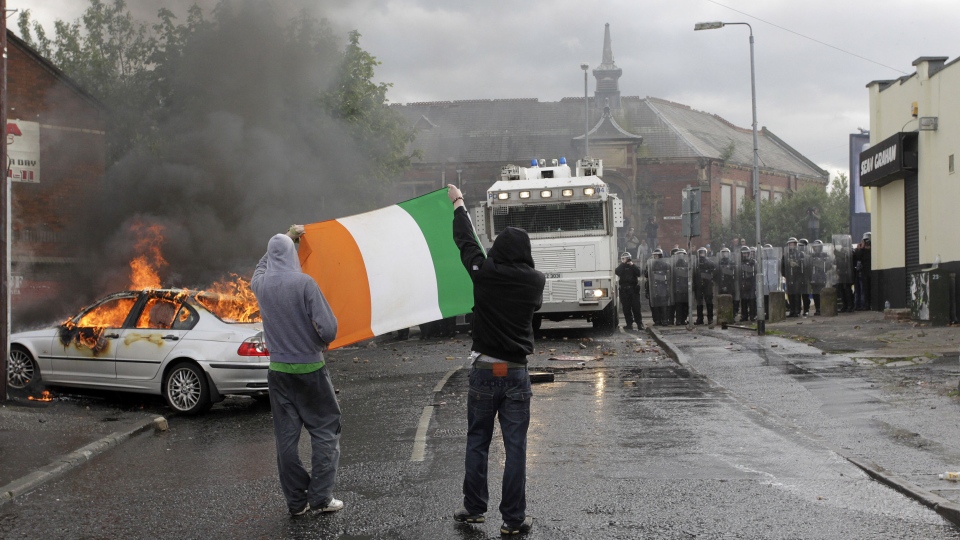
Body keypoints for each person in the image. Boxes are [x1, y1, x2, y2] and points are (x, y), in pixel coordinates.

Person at [447, 184, 545, 536]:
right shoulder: (536, 281)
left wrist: (459, 203)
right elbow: (534, 312)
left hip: (484, 372)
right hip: (516, 374)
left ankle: (474, 509)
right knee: (515, 449)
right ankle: (513, 520)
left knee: (478, 441)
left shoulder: (484, 273)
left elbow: (466, 243)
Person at [251, 225, 343, 517]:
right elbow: (328, 330)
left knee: (287, 440)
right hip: (311, 370)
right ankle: (320, 498)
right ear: (292, 255)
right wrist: (318, 341)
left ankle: (295, 502)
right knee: (326, 430)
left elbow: (261, 265)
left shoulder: (261, 285)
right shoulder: (305, 284)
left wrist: (286, 237)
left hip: (278, 372)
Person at [616, 252, 644, 330]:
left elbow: (639, 273)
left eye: (626, 258)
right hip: (624, 291)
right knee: (626, 308)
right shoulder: (621, 267)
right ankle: (629, 324)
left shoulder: (633, 266)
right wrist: (623, 264)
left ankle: (639, 323)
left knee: (636, 307)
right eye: (623, 258)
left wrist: (632, 264)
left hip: (633, 290)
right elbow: (617, 272)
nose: (625, 260)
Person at [694, 247, 716, 325]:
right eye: (700, 253)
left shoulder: (710, 263)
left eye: (703, 253)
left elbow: (714, 274)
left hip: (708, 285)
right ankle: (700, 319)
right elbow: (693, 275)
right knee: (699, 302)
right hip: (698, 285)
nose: (702, 254)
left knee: (709, 301)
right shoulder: (695, 263)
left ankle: (710, 318)